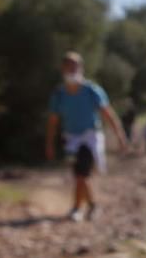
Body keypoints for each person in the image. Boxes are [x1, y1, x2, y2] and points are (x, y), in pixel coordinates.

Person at [45, 51, 128, 221]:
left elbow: (108, 113)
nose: (72, 71)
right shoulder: (59, 95)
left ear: (81, 68)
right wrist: (49, 144)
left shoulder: (92, 91)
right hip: (71, 139)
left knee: (81, 173)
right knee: (80, 175)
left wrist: (120, 135)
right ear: (63, 70)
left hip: (90, 137)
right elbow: (53, 121)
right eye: (69, 68)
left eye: (75, 67)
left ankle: (77, 208)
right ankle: (93, 205)